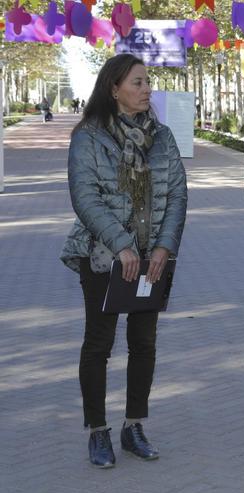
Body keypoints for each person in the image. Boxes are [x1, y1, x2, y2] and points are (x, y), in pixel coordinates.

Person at [60, 54, 188, 468]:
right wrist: (122, 245)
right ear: (114, 89)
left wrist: (164, 248)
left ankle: (134, 426)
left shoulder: (163, 137)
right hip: (101, 257)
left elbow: (177, 197)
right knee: (99, 345)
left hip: (152, 258)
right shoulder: (89, 137)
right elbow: (85, 197)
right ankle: (98, 431)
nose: (147, 88)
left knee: (144, 344)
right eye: (138, 82)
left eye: (147, 81)